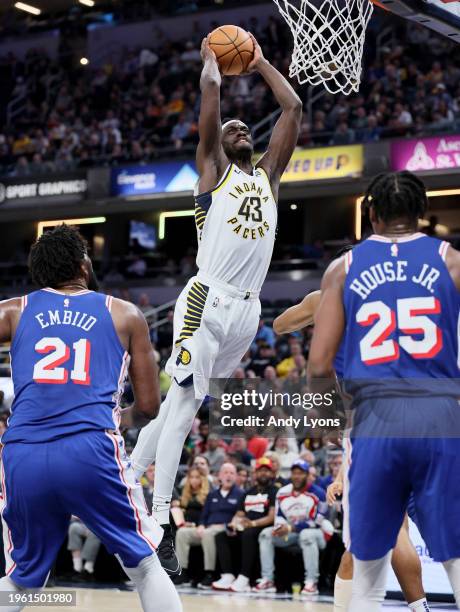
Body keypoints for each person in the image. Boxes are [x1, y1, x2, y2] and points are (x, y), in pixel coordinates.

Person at [130, 32, 302, 575]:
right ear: (217, 145)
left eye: (246, 127)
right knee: (182, 406)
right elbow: (210, 93)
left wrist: (261, 62)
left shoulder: (268, 178)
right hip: (206, 299)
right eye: (233, 128)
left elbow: (292, 106)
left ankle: (129, 469)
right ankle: (160, 521)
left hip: (248, 313)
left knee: (190, 405)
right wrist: (214, 57)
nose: (241, 128)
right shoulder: (213, 172)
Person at [0, 225, 182, 612]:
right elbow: (150, 407)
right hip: (90, 448)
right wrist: (118, 417)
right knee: (146, 566)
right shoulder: (125, 314)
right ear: (83, 266)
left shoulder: (15, 310)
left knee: (22, 577)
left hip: (23, 452)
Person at [307, 171, 460, 611]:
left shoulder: (343, 268)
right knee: (453, 557)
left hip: (374, 419)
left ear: (370, 214)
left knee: (369, 568)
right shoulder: (450, 260)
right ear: (423, 212)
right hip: (439, 415)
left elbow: (318, 366)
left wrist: (330, 424)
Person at [275, 245, 431, 611]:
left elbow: (281, 324)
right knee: (401, 528)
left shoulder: (328, 297)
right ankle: (419, 606)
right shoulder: (402, 295)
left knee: (375, 536)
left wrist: (312, 312)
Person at [255, 459, 333, 596]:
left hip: (318, 534)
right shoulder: (282, 493)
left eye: (301, 473)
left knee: (306, 535)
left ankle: (311, 582)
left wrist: (291, 528)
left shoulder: (319, 493)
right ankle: (267, 580)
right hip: (291, 534)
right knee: (265, 534)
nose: (297, 476)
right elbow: (279, 516)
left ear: (307, 475)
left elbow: (318, 520)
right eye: (294, 473)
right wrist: (280, 527)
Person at [212, 457, 277, 592]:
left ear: (272, 474)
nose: (263, 473)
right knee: (221, 536)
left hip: (263, 527)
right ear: (255, 474)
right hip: (247, 526)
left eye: (266, 471)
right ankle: (228, 575)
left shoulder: (274, 491)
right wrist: (233, 525)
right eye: (260, 471)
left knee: (248, 533)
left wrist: (252, 523)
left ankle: (245, 577)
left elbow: (271, 517)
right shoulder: (247, 493)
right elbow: (239, 514)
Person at [174, 463, 244, 588]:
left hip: (224, 527)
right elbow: (204, 515)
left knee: (208, 534)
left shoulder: (240, 494)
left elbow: (239, 515)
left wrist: (232, 524)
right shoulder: (212, 494)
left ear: (236, 477)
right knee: (182, 533)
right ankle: (182, 572)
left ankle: (209, 573)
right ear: (220, 476)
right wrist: (201, 525)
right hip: (208, 527)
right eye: (225, 472)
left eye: (232, 473)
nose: (228, 475)